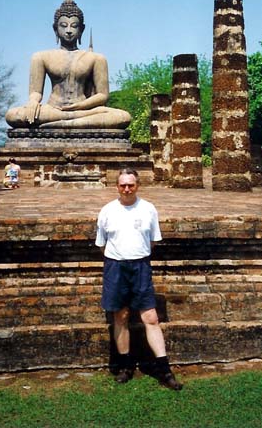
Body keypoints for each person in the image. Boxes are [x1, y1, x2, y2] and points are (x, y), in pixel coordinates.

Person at [95, 168, 183, 391]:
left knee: (151, 317)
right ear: (117, 186)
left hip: (140, 265)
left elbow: (153, 240)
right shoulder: (107, 211)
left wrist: (135, 254)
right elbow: (102, 243)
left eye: (131, 185)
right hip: (115, 266)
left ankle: (164, 369)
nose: (127, 189)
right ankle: (125, 366)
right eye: (123, 185)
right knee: (121, 316)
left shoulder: (148, 209)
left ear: (137, 186)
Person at [5, 0, 131, 129]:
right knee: (12, 115)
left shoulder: (96, 58)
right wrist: (33, 103)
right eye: (63, 26)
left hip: (84, 110)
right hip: (52, 109)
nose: (69, 30)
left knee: (122, 117)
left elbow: (103, 95)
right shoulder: (41, 57)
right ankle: (70, 121)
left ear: (81, 29)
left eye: (74, 26)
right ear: (55, 28)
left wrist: (80, 106)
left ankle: (64, 122)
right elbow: (35, 92)